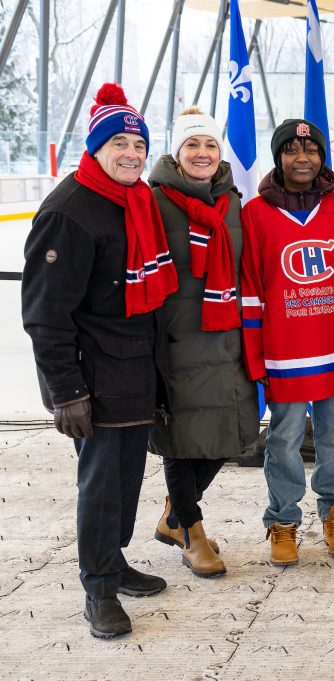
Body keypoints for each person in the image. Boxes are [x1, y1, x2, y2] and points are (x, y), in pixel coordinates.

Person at [22, 83, 177, 638]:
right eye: (119, 143)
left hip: (137, 368)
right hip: (95, 377)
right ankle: (99, 589)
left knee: (128, 479)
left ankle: (114, 559)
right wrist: (65, 392)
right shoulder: (69, 212)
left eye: (139, 143)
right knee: (102, 484)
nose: (132, 153)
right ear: (94, 148)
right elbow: (45, 315)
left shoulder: (135, 201)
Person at [241, 119, 334, 566]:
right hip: (284, 355)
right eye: (292, 150)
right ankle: (282, 523)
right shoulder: (256, 214)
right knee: (282, 441)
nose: (303, 158)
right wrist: (255, 354)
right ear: (278, 158)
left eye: (311, 150)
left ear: (322, 156)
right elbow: (252, 289)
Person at [148, 107, 260, 578]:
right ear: (177, 153)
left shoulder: (232, 201)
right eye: (192, 145)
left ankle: (175, 515)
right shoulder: (152, 200)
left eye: (210, 145)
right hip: (176, 338)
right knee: (183, 440)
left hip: (225, 335)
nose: (202, 153)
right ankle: (192, 530)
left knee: (229, 435)